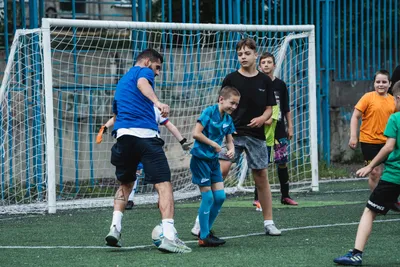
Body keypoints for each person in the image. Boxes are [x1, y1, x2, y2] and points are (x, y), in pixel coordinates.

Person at [104, 48, 191, 253]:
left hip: (123, 138)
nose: (157, 73)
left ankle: (115, 227)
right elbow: (143, 83)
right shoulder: (143, 72)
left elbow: (116, 115)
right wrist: (157, 102)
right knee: (164, 185)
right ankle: (169, 235)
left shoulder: (122, 83)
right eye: (157, 67)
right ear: (147, 62)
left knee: (126, 184)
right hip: (145, 137)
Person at [191, 38, 281, 236]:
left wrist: (261, 119)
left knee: (261, 177)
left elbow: (270, 109)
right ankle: (201, 221)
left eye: (247, 53)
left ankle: (269, 222)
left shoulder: (265, 81)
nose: (243, 57)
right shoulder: (231, 79)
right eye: (240, 54)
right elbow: (221, 108)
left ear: (255, 55)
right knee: (220, 172)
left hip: (256, 135)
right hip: (234, 134)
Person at [333, 81, 400, 266]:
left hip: (394, 176)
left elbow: (389, 147)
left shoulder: (395, 119)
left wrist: (370, 166)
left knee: (369, 211)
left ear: (398, 98)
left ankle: (356, 254)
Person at [97, 110, 193, 210]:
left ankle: (157, 200)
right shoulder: (136, 106)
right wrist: (104, 127)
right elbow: (116, 117)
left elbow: (169, 125)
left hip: (144, 146)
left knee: (151, 176)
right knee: (149, 176)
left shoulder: (152, 109)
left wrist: (182, 141)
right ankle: (131, 200)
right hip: (141, 145)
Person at [191, 86, 240, 247]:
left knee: (220, 197)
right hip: (200, 159)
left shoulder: (227, 119)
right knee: (208, 197)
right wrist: (213, 144)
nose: (233, 107)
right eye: (232, 103)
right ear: (221, 99)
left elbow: (229, 140)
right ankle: (204, 236)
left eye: (236, 104)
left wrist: (231, 149)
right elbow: (196, 133)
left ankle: (205, 231)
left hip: (213, 161)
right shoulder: (209, 112)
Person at [253, 52, 297, 207]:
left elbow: (286, 108)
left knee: (282, 162)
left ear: (274, 65)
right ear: (259, 66)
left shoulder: (280, 85)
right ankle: (257, 199)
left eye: (269, 62)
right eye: (263, 62)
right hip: (262, 130)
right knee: (261, 164)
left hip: (279, 130)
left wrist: (290, 126)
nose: (266, 65)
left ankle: (285, 196)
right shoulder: (256, 84)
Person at [349, 70, 395, 191]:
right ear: (374, 83)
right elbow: (355, 116)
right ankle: (376, 201)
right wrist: (353, 136)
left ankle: (391, 199)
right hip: (369, 142)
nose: (381, 84)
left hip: (389, 143)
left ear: (390, 84)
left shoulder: (394, 101)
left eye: (384, 82)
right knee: (374, 172)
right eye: (378, 82)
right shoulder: (367, 98)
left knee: (393, 172)